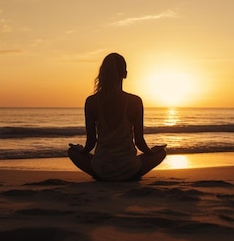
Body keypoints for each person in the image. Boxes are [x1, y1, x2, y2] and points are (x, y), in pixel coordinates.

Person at [68, 53, 167, 181]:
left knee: (72, 152)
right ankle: (126, 174)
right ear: (125, 74)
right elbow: (139, 142)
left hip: (102, 170)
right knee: (162, 153)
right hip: (130, 169)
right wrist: (152, 152)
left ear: (102, 73)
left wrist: (81, 151)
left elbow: (91, 143)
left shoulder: (91, 102)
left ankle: (105, 175)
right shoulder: (135, 101)